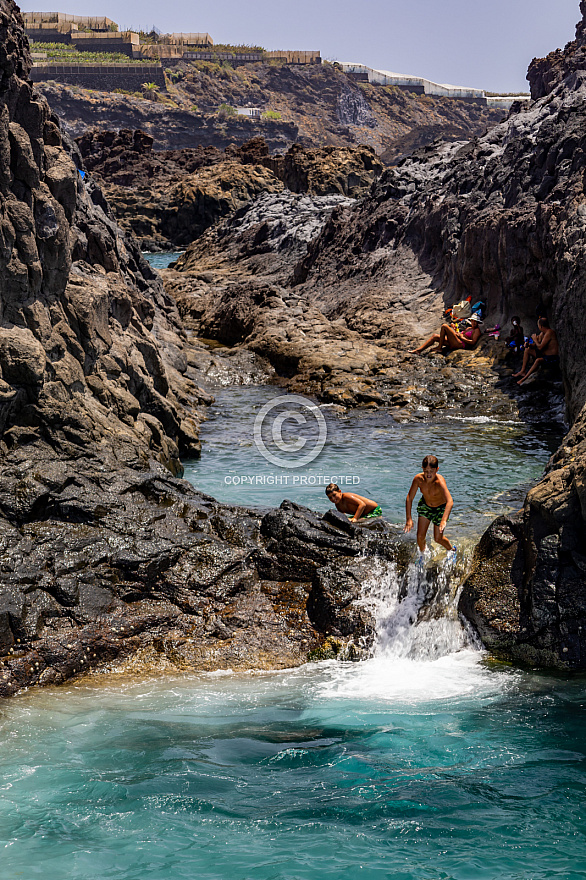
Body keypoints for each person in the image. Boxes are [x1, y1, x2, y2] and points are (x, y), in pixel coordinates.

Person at [404, 455, 455, 562]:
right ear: (422, 469)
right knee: (420, 537)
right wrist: (409, 518)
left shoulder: (440, 481)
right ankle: (424, 555)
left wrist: (443, 520)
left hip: (440, 509)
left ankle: (451, 549)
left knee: (438, 538)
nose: (428, 474)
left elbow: (450, 501)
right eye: (426, 471)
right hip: (425, 506)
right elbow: (409, 498)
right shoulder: (418, 479)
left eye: (431, 471)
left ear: (437, 469)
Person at [512, 317, 559, 385]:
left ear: (541, 326)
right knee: (527, 350)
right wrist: (529, 345)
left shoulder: (550, 332)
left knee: (538, 360)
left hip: (552, 358)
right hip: (544, 355)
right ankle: (522, 371)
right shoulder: (542, 333)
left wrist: (535, 339)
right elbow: (536, 345)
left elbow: (540, 347)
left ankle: (524, 378)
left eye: (538, 326)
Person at [409, 315, 482, 355]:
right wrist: (456, 330)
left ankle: (439, 347)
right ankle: (418, 350)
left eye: (475, 322)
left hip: (460, 344)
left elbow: (472, 342)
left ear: (478, 323)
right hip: (457, 340)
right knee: (435, 336)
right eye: (473, 321)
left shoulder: (476, 330)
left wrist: (461, 338)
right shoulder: (469, 328)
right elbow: (460, 334)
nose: (474, 323)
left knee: (444, 326)